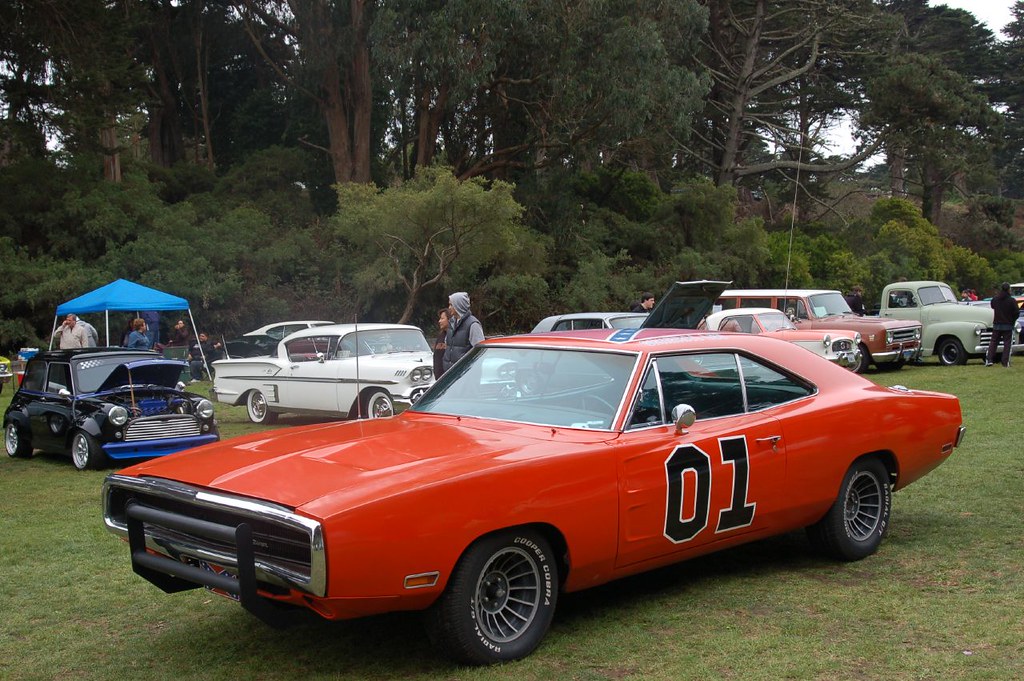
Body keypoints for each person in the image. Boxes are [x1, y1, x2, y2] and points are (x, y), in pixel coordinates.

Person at [443, 291, 483, 372]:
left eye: (451, 305)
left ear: (459, 305)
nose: (449, 307)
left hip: (465, 374)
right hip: (450, 374)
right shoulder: (451, 323)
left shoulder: (473, 325)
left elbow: (480, 351)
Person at [986, 282, 1018, 367]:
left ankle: (989, 359)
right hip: (1008, 325)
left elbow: (992, 306)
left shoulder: (995, 299)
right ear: (1008, 289)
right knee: (1007, 344)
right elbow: (1016, 312)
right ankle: (1005, 362)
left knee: (993, 342)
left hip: (997, 324)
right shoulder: (1011, 300)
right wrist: (1012, 321)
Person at [433, 308, 449, 378]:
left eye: (442, 319)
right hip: (439, 379)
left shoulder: (456, 337)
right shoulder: (440, 337)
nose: (439, 321)